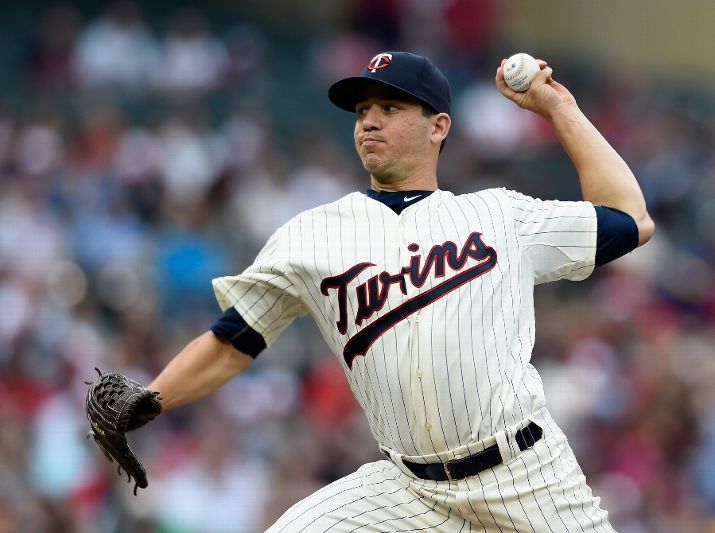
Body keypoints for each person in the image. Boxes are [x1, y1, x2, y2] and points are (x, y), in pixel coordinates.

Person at [146, 51, 654, 531]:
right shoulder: (311, 235)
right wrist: (151, 400)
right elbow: (231, 341)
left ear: (438, 127)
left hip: (525, 476)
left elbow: (631, 218)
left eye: (389, 108)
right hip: (406, 490)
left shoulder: (500, 216)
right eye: (362, 111)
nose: (369, 121)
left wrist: (559, 108)